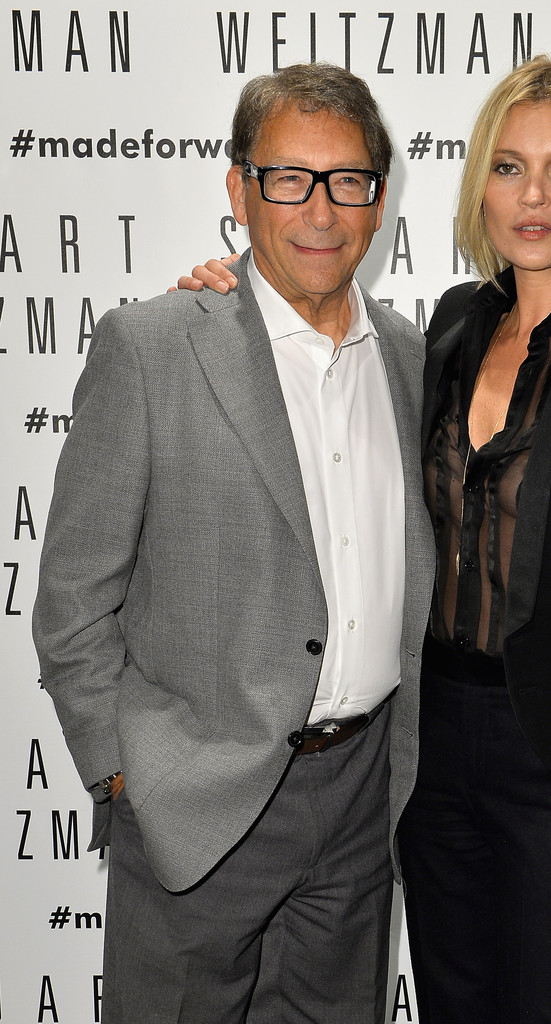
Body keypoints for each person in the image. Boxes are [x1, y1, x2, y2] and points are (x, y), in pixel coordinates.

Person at [179, 54, 551, 1024]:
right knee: (452, 1001)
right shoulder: (451, 326)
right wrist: (230, 300)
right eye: (508, 167)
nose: (532, 196)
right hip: (427, 742)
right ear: (480, 186)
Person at [32, 63, 434, 1024]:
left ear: (379, 199)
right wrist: (124, 773)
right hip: (195, 803)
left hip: (363, 801)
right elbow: (74, 597)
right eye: (289, 178)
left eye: (347, 180)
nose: (320, 211)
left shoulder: (415, 362)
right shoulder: (152, 347)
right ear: (239, 189)